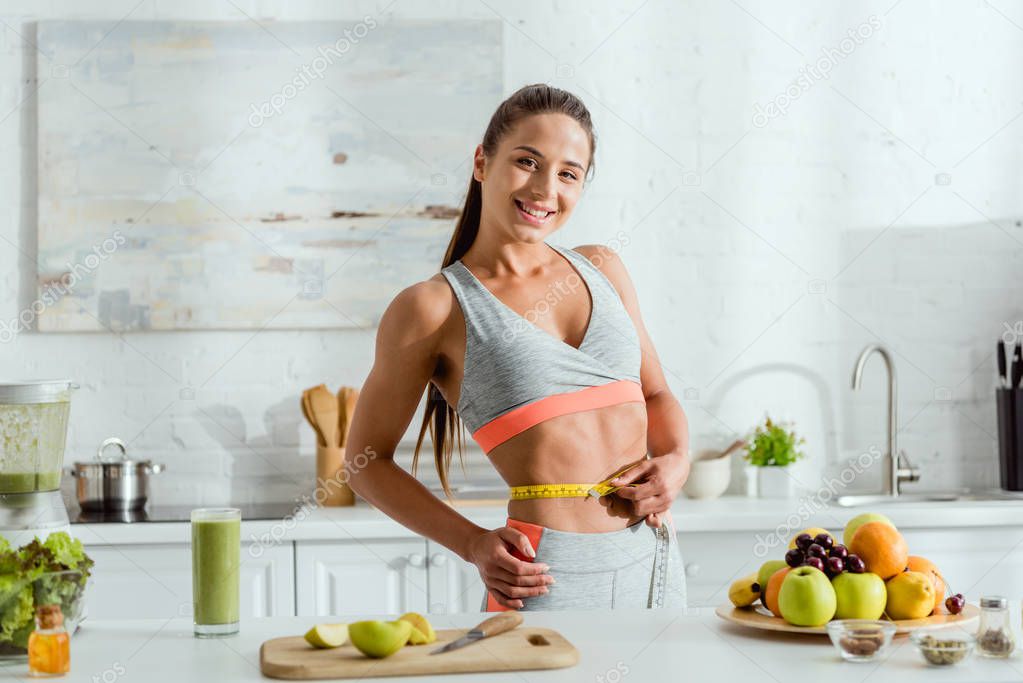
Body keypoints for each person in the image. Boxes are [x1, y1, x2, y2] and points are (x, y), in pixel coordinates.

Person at [344, 83, 690, 611]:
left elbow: (658, 394)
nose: (546, 189)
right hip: (545, 577)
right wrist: (471, 543)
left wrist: (678, 462)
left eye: (568, 173)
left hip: (656, 563)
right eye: (528, 161)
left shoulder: (603, 268)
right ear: (482, 162)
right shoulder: (434, 308)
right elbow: (365, 463)